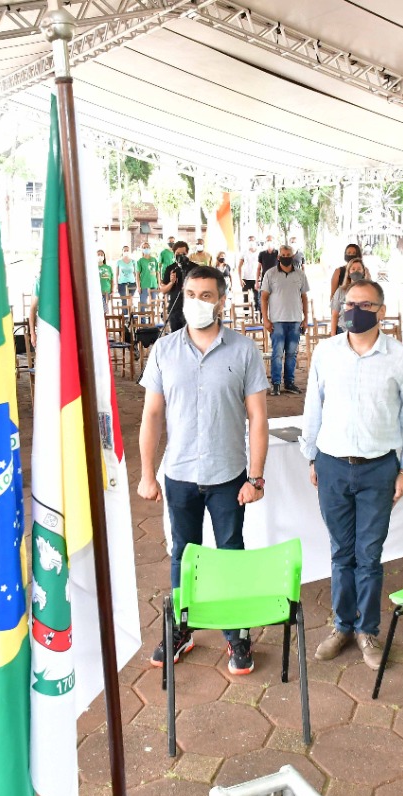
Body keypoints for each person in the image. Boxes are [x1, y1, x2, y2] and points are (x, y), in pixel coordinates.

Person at [137, 265, 268, 675]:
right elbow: (152, 415)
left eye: (206, 295)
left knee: (230, 552)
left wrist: (256, 477)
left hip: (228, 475)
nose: (196, 302)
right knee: (183, 553)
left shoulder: (243, 350)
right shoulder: (164, 350)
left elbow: (258, 417)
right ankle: (182, 628)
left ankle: (236, 631)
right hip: (179, 473)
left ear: (221, 301)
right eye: (191, 294)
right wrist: (146, 474)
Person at [302, 279, 403, 669]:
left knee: (369, 556)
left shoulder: (401, 358)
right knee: (341, 553)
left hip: (378, 468)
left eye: (365, 305)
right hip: (332, 465)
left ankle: (367, 630)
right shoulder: (326, 353)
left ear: (381, 311)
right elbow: (313, 407)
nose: (355, 310)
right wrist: (311, 457)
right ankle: (342, 626)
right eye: (349, 303)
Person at [260, 244, 310, 395]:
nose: (286, 257)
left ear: (293, 256)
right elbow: (264, 298)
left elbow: (304, 297)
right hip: (277, 321)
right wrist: (265, 319)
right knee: (277, 353)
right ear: (278, 256)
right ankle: (276, 383)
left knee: (292, 353)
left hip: (295, 320)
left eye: (289, 255)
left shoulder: (300, 274)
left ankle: (289, 383)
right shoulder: (270, 274)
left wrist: (305, 318)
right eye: (283, 255)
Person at [159, 241, 193, 331]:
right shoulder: (170, 269)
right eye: (178, 254)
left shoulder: (195, 268)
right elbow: (163, 290)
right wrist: (171, 282)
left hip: (191, 308)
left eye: (183, 254)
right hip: (175, 307)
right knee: (176, 335)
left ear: (187, 253)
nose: (180, 256)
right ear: (174, 254)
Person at [329, 257, 368, 335]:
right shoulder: (340, 291)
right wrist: (333, 336)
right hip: (343, 331)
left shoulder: (369, 291)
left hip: (362, 333)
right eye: (353, 269)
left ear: (363, 272)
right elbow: (334, 315)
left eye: (359, 269)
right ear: (349, 273)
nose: (356, 271)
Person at [255, 236, 279, 309]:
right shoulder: (262, 254)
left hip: (276, 280)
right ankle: (262, 315)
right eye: (267, 240)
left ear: (273, 242)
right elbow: (258, 268)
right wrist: (257, 282)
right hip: (264, 280)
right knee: (263, 300)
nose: (269, 242)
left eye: (270, 240)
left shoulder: (278, 253)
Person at [137, 242, 160, 308]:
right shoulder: (140, 261)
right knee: (143, 304)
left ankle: (152, 315)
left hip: (153, 284)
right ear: (142, 249)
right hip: (144, 285)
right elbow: (137, 275)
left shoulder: (154, 259)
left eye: (147, 247)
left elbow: (157, 273)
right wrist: (138, 286)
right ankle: (142, 315)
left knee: (153, 304)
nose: (146, 249)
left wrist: (158, 284)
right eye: (144, 247)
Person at [237, 235, 258, 305]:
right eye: (249, 240)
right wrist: (240, 279)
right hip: (245, 279)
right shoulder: (244, 253)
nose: (251, 242)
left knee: (257, 298)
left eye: (252, 240)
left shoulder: (259, 252)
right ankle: (246, 311)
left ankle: (257, 311)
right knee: (245, 299)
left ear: (255, 242)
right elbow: (239, 266)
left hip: (256, 279)